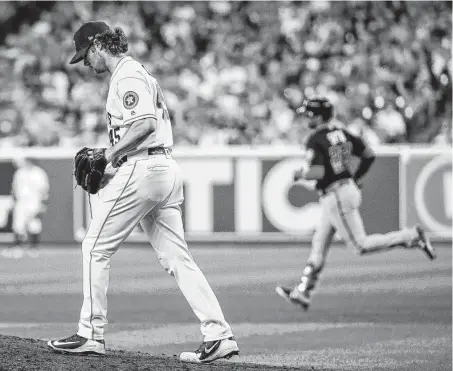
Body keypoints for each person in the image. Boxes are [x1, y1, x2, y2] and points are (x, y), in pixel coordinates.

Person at [47, 22, 239, 363]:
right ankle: (219, 335)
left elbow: (145, 124)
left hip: (146, 168)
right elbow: (145, 130)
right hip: (159, 167)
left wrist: (108, 156)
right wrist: (113, 164)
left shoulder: (127, 74)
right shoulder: (137, 73)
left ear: (97, 46)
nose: (86, 64)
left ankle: (91, 334)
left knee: (94, 247)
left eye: (85, 55)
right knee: (177, 259)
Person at [276, 97, 437, 310]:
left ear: (318, 116)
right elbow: (368, 155)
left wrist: (300, 173)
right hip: (340, 191)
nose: (306, 118)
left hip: (336, 195)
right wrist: (356, 178)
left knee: (360, 245)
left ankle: (412, 236)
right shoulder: (342, 133)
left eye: (309, 114)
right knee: (319, 244)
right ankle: (304, 291)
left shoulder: (316, 138)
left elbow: (318, 171)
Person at [4, 156, 49, 259]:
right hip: (21, 201)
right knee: (18, 223)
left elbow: (44, 189)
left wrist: (43, 204)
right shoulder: (20, 173)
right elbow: (14, 188)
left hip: (34, 200)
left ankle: (34, 247)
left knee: (34, 223)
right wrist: (13, 201)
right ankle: (18, 247)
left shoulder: (39, 173)